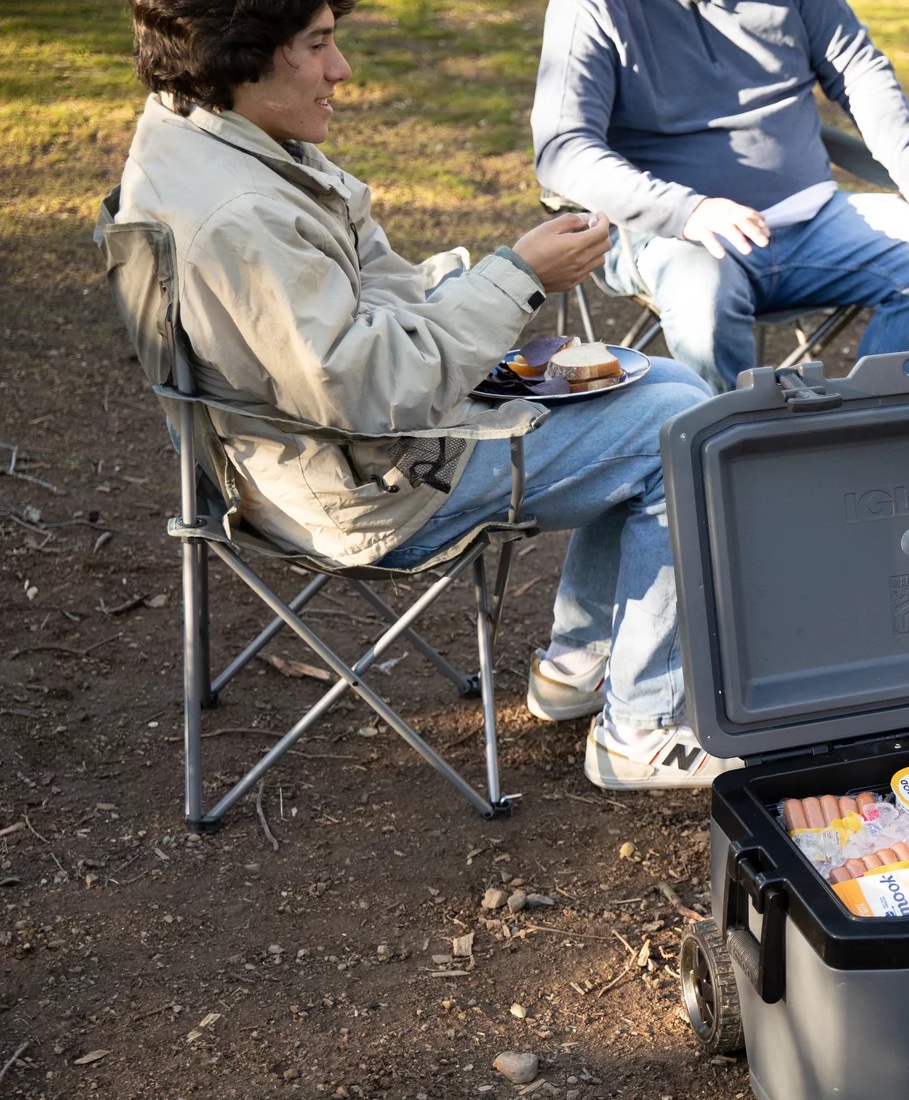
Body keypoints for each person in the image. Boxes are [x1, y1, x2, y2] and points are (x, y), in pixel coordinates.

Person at [119, 0, 737, 793]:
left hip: (315, 447)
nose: (341, 70)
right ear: (240, 57)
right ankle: (640, 729)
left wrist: (490, 284)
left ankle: (579, 666)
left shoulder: (209, 138)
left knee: (665, 384)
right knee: (685, 431)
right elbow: (369, 390)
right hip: (361, 487)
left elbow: (371, 299)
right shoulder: (243, 211)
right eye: (318, 46)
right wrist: (518, 279)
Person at [531, 0, 909, 394]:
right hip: (673, 236)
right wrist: (686, 211)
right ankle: (733, 452)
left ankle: (872, 425)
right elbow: (562, 148)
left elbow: (856, 64)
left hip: (816, 220)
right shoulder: (592, 7)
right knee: (702, 294)